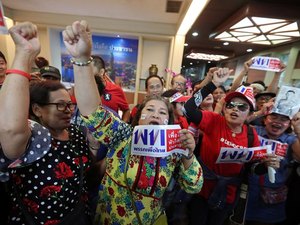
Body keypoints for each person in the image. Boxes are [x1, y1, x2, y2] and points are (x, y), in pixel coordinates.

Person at [62, 20, 203, 225]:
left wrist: (188, 154)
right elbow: (92, 112)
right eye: (150, 109)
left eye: (163, 112)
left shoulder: (174, 150)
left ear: (168, 122)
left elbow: (193, 186)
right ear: (138, 118)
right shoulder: (123, 135)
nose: (156, 114)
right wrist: (82, 59)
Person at [0, 22, 93, 225]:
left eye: (70, 105)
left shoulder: (77, 133)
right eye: (60, 106)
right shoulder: (33, 136)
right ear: (37, 109)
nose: (68, 110)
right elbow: (10, 129)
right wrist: (24, 53)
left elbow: (88, 171)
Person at [183, 69, 279, 225]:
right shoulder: (214, 120)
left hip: (228, 194)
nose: (235, 109)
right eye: (231, 105)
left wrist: (265, 165)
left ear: (249, 114)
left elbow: (252, 167)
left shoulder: (250, 134)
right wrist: (213, 84)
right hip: (201, 190)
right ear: (224, 108)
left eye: (242, 107)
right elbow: (188, 109)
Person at [246, 111, 300, 225]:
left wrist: (298, 130)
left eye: (283, 119)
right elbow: (237, 123)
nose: (277, 122)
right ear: (265, 119)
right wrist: (260, 111)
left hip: (272, 200)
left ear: (289, 123)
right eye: (273, 117)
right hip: (247, 194)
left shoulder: (290, 139)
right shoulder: (254, 131)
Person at [91, 55, 130, 122]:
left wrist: (122, 126)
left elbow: (126, 110)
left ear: (101, 72)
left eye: (89, 71)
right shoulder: (81, 90)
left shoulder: (116, 90)